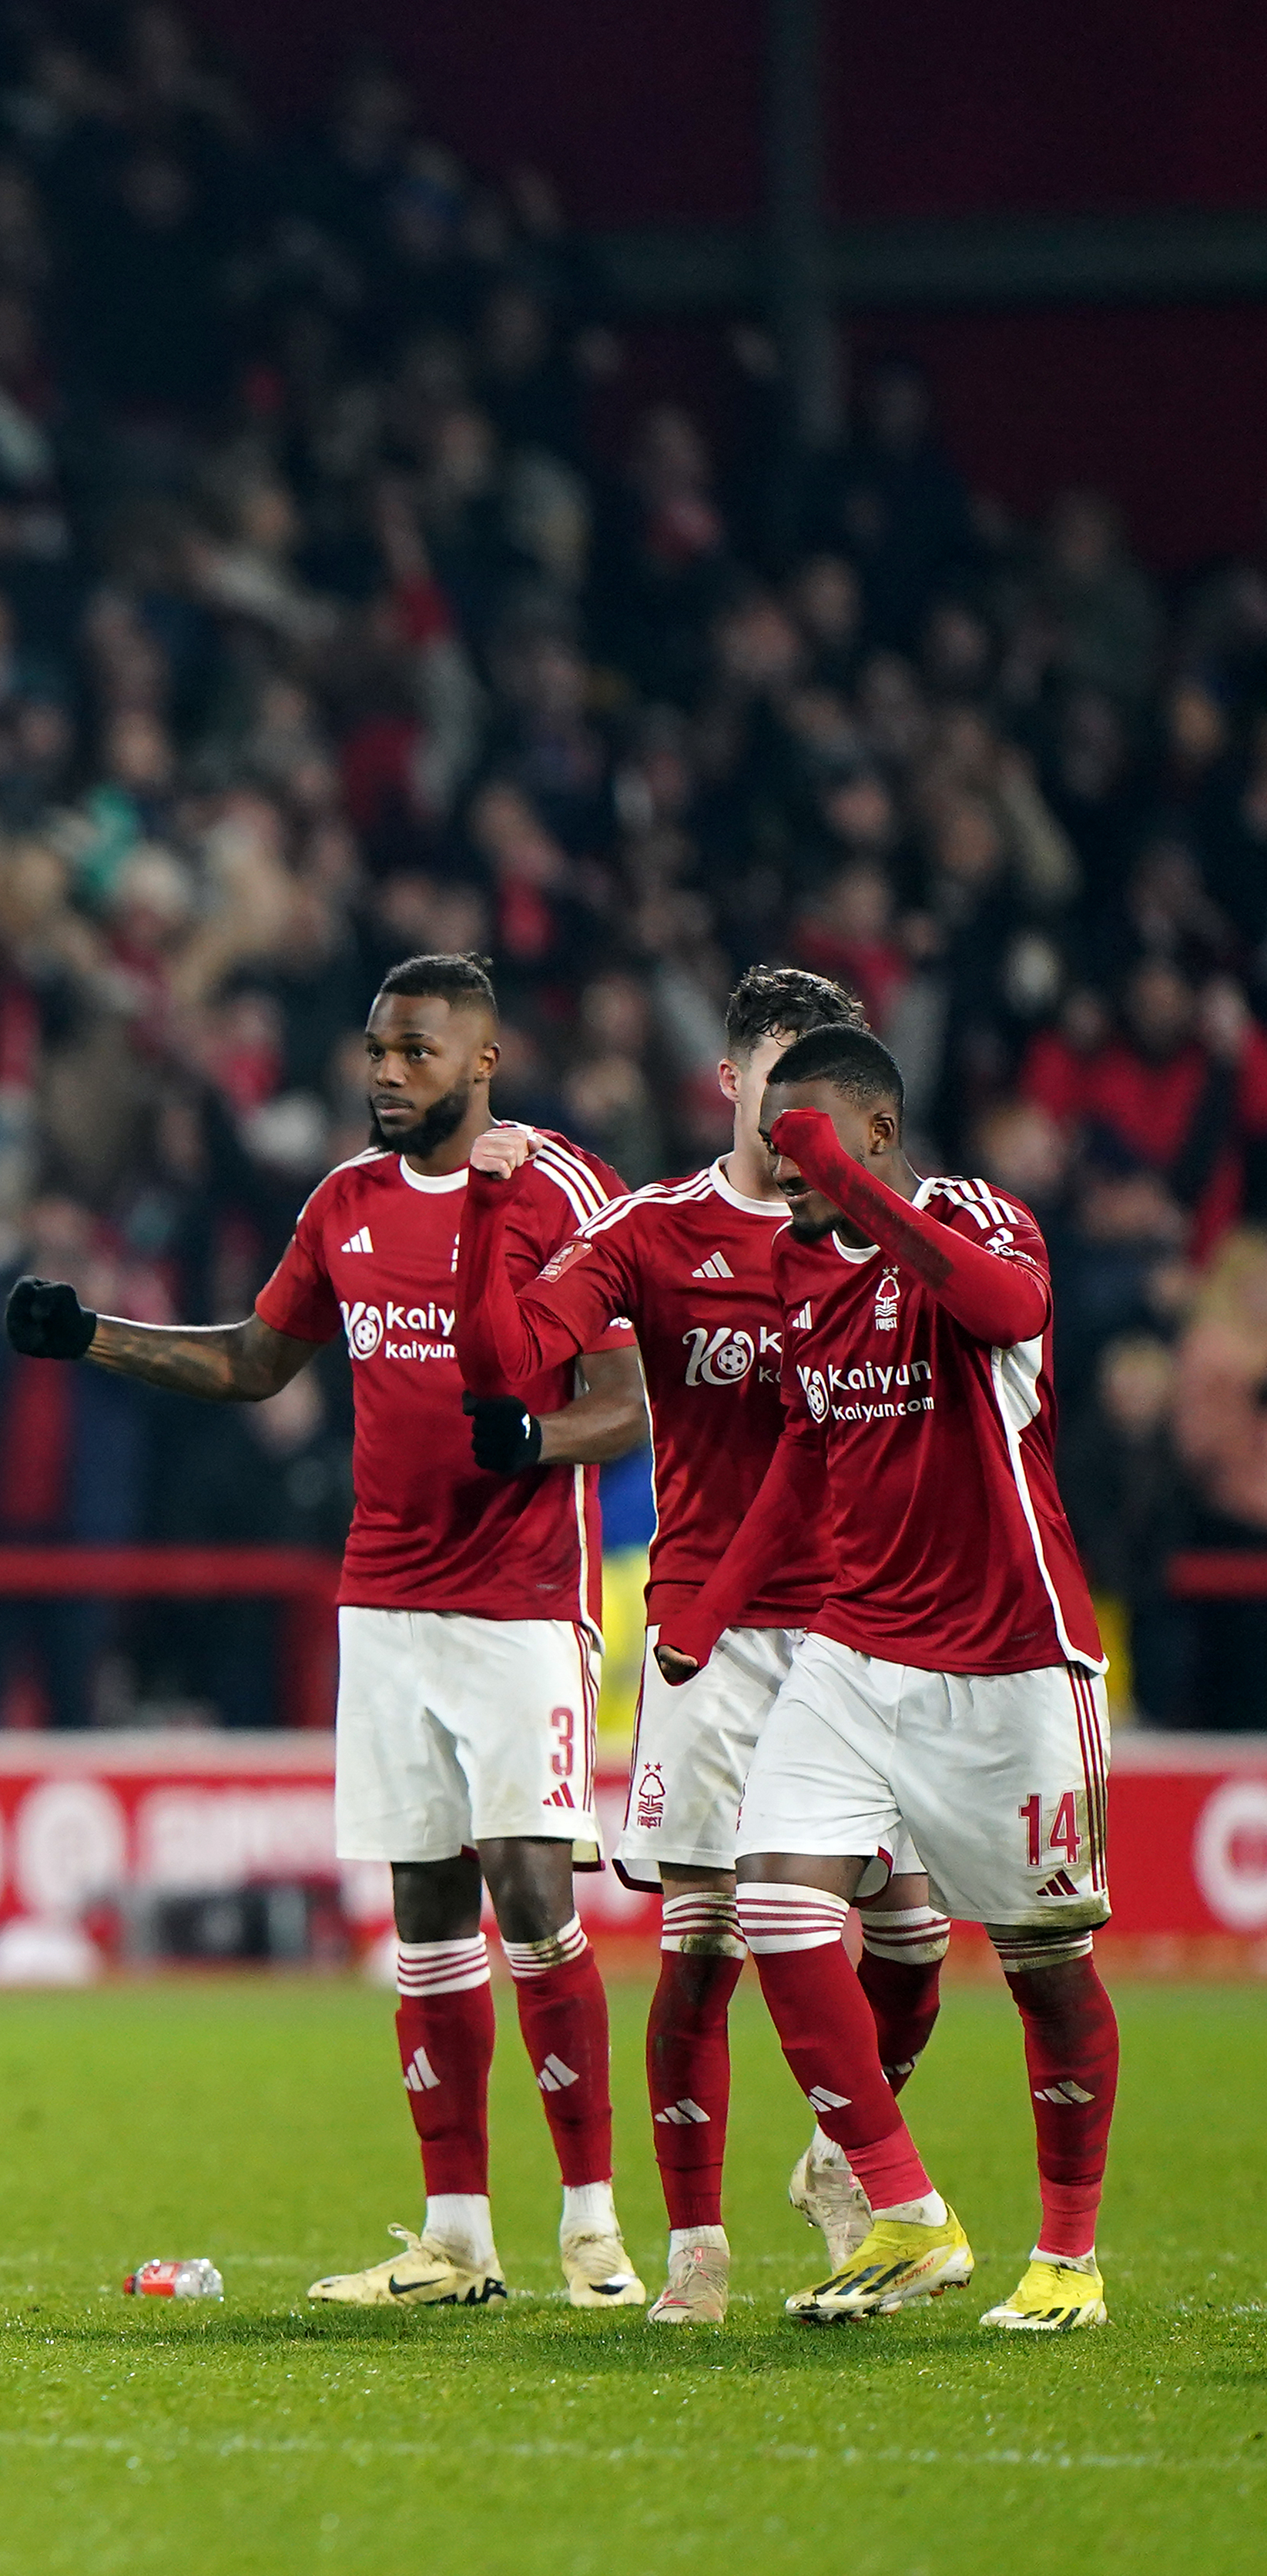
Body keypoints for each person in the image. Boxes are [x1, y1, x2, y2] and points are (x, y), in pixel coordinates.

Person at [3, 953, 656, 2308]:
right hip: (386, 1599)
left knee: (533, 1892)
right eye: (376, 1052)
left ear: (483, 1062)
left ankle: (592, 2224)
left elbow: (631, 1398)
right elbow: (255, 1361)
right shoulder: (345, 1202)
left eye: (416, 1053)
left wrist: (537, 1440)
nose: (387, 1075)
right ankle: (456, 2239)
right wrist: (90, 1336)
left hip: (521, 1600)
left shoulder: (561, 1191)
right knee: (424, 1906)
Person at [451, 965, 950, 2322]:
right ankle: (697, 2249)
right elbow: (509, 1354)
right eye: (778, 1082)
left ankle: (841, 2156)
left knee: (914, 1943)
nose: (800, 1117)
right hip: (708, 1642)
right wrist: (492, 1218)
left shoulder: (892, 1234)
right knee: (705, 1946)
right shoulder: (654, 1231)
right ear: (730, 1081)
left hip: (868, 1626)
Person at [654, 1026, 1120, 2332]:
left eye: (804, 1135)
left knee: (1044, 1965)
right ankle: (907, 2211)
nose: (780, 1161)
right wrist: (712, 1606)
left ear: (874, 1130)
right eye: (771, 1138)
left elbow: (1009, 1313)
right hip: (855, 1649)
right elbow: (807, 1450)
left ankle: (1068, 2260)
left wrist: (853, 1188)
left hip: (1012, 1655)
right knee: (772, 1902)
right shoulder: (797, 1264)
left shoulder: (977, 1218)